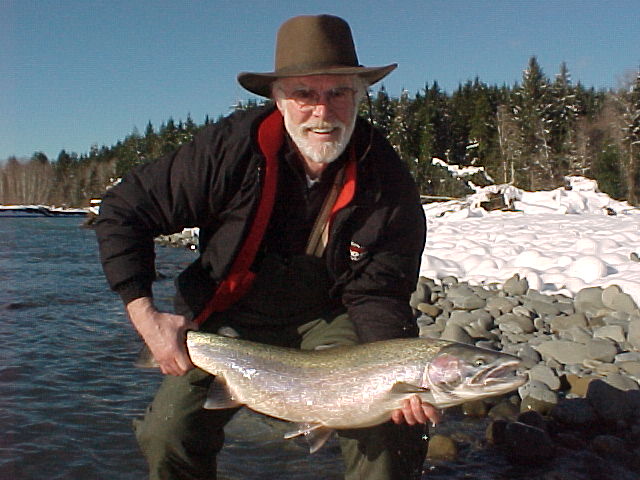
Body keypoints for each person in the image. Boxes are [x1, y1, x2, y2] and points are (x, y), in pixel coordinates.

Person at [96, 14, 439, 480]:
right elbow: (122, 211)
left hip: (331, 317)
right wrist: (145, 315)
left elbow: (379, 291)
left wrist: (396, 380)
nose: (322, 112)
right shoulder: (228, 150)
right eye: (305, 94)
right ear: (278, 98)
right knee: (168, 432)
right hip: (227, 318)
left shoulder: (387, 181)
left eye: (338, 93)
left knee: (389, 431)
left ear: (361, 96)